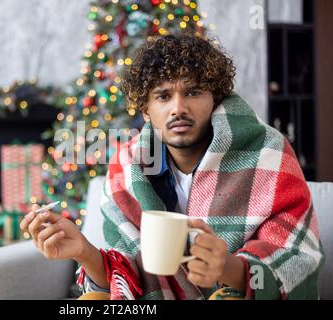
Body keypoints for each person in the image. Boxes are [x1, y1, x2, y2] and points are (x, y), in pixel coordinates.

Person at [20, 33, 324, 300]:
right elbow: (127, 276)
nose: (178, 107)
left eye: (193, 92)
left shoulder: (267, 152)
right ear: (147, 110)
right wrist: (83, 252)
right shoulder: (127, 167)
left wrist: (230, 268)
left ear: (215, 98)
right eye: (163, 96)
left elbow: (297, 260)